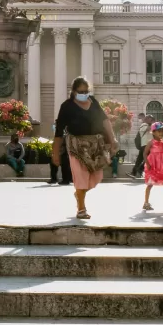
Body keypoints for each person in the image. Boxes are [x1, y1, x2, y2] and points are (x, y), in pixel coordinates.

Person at [54, 77, 115, 220]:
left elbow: (105, 121)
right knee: (80, 178)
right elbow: (58, 131)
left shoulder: (93, 102)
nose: (84, 93)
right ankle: (81, 209)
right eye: (81, 91)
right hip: (76, 145)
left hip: (95, 145)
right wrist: (55, 153)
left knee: (96, 177)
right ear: (74, 91)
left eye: (86, 91)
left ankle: (79, 194)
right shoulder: (67, 106)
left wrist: (112, 139)